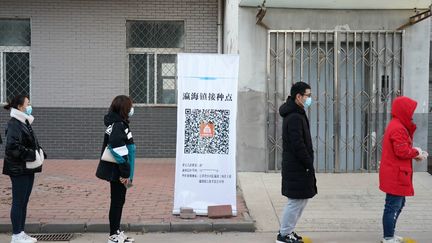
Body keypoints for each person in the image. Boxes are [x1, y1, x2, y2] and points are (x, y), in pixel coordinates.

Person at [379, 96, 427, 243]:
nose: (412, 114)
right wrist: (416, 152)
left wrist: (415, 153)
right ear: (403, 110)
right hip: (395, 174)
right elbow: (402, 151)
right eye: (410, 110)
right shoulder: (398, 128)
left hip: (397, 173)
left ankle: (390, 234)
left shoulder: (398, 125)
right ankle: (388, 237)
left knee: (397, 204)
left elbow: (401, 150)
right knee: (392, 206)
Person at [276, 82, 317, 243]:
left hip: (300, 166)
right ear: (298, 97)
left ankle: (289, 231)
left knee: (301, 199)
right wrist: (308, 162)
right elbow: (297, 144)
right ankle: (283, 235)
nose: (309, 99)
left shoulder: (298, 113)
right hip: (296, 166)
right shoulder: (294, 117)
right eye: (308, 95)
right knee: (295, 201)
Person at [3, 95, 46, 243]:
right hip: (18, 169)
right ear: (21, 107)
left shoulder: (24, 122)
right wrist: (32, 154)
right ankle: (16, 235)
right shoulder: (15, 123)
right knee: (18, 201)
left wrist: (39, 152)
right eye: (28, 103)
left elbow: (30, 142)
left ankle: (21, 232)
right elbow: (11, 148)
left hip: (27, 167)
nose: (30, 106)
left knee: (24, 201)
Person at [96, 95, 136, 243]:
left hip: (120, 170)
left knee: (119, 201)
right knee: (117, 202)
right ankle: (113, 235)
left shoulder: (118, 123)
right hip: (119, 171)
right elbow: (117, 148)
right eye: (130, 106)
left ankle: (116, 232)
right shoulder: (118, 124)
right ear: (124, 108)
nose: (132, 109)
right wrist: (125, 172)